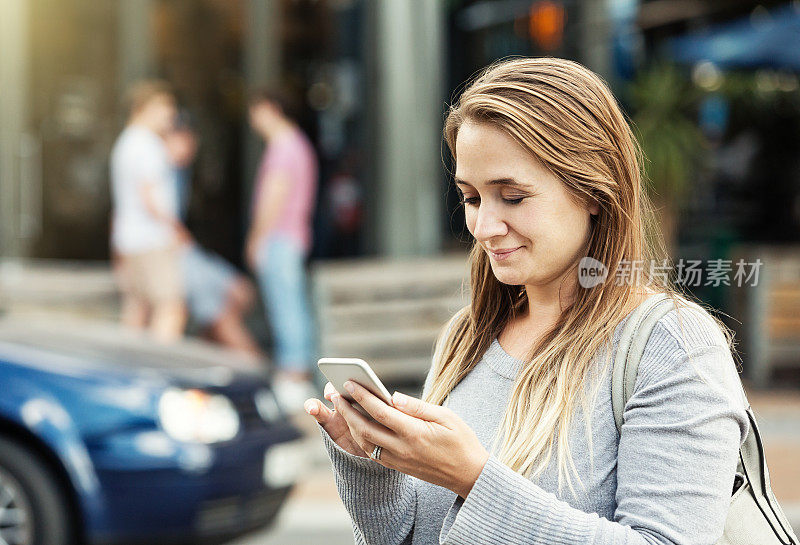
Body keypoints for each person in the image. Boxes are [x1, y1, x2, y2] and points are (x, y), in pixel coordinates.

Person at [304, 57, 750, 544]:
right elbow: (420, 535)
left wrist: (473, 480)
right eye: (472, 198)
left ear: (594, 190)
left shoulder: (671, 346)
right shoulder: (467, 336)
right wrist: (371, 466)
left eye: (512, 197)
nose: (484, 227)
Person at [163, 120, 262, 358]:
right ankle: (258, 370)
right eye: (186, 143)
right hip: (175, 257)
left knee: (243, 294)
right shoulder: (155, 169)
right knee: (221, 314)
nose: (190, 151)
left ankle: (212, 358)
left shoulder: (180, 174)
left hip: (190, 253)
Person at [247, 88, 318, 409]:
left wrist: (257, 236)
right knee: (291, 305)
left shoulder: (284, 146)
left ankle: (293, 376)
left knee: (285, 307)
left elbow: (274, 196)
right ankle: (296, 374)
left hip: (280, 237)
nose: (252, 120)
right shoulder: (297, 144)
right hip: (291, 236)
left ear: (270, 108)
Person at [110, 80, 188, 343]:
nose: (171, 114)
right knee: (171, 308)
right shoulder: (146, 144)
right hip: (152, 239)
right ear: (143, 108)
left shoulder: (125, 142)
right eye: (165, 107)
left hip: (130, 240)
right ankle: (158, 374)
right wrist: (176, 230)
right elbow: (150, 198)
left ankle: (124, 375)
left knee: (137, 311)